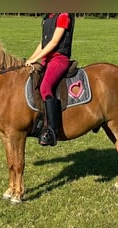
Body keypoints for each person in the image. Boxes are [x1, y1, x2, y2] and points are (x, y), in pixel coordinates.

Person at [25, 13, 75, 146]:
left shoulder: (63, 16)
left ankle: (52, 131)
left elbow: (54, 42)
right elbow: (43, 42)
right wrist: (31, 58)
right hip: (46, 60)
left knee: (45, 87)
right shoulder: (49, 17)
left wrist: (35, 59)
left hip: (59, 59)